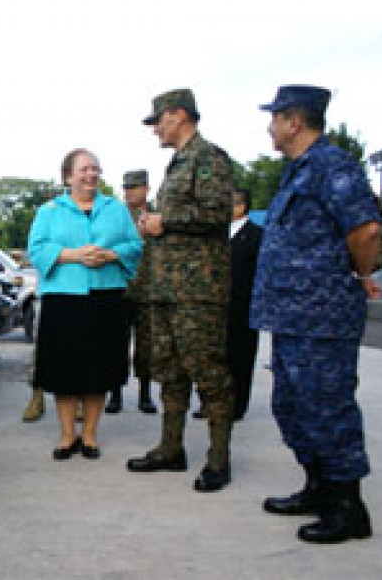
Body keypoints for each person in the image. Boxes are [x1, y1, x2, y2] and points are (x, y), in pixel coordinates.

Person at [252, 85, 382, 544]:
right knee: (292, 406)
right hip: (293, 317)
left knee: (328, 409)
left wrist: (355, 272)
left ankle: (348, 508)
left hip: (322, 317)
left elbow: (365, 231)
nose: (269, 126)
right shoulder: (297, 172)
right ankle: (319, 487)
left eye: (275, 118)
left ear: (294, 122)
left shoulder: (332, 166)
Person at [126, 88, 235, 493]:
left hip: (198, 290)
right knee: (169, 370)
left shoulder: (208, 159)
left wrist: (163, 219)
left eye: (158, 121)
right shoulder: (177, 164)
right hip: (166, 288)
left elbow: (217, 212)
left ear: (178, 116)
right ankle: (171, 449)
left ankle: (218, 460)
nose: (155, 130)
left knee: (208, 371)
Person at [29, 148, 142, 460]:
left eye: (95, 168)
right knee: (64, 369)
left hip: (106, 297)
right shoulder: (49, 211)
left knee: (99, 368)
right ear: (68, 176)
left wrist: (111, 255)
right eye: (84, 169)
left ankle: (90, 434)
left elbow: (135, 246)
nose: (91, 174)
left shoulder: (116, 209)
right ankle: (67, 435)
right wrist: (73, 255)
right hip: (63, 299)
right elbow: (36, 250)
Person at [105, 169, 157, 415]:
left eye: (134, 187)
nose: (129, 192)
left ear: (146, 188)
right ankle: (115, 394)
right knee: (116, 344)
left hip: (149, 292)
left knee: (146, 347)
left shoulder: (157, 215)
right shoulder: (115, 216)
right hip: (120, 289)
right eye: (126, 188)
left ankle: (145, 394)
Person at [227, 189, 263, 420]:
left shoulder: (257, 235)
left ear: (241, 207)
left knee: (241, 357)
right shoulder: (218, 235)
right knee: (217, 357)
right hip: (218, 307)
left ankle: (237, 405)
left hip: (244, 306)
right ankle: (214, 403)